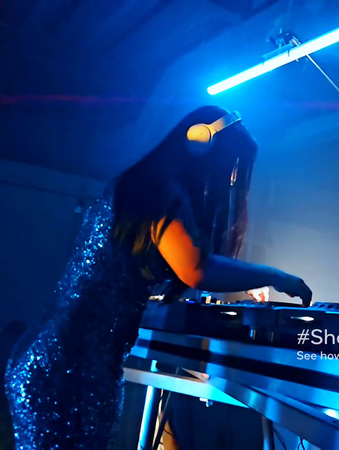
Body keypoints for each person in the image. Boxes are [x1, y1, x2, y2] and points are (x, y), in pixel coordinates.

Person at [4, 106, 313, 449]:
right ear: (200, 144)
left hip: (61, 360)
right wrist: (276, 277)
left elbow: (184, 260)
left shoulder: (145, 183)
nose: (229, 181)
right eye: (229, 169)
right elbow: (198, 269)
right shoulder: (160, 191)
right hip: (70, 368)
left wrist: (247, 278)